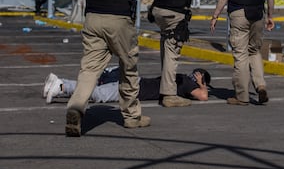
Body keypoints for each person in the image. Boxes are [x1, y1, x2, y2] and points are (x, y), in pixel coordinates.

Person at [65, 0, 148, 137]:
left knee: (89, 69)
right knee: (128, 67)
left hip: (92, 18)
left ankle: (76, 106)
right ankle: (132, 117)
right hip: (119, 20)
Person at [210, 0, 274, 106]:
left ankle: (242, 96)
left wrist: (215, 15)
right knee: (254, 52)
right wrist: (270, 16)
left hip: (239, 13)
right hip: (258, 13)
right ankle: (260, 86)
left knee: (240, 55)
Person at [149, 0, 205, 108]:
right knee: (173, 53)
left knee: (166, 49)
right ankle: (169, 95)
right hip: (175, 12)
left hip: (158, 10)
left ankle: (166, 87)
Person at [43, 67, 211, 104]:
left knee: (98, 91)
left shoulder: (181, 77)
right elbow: (203, 96)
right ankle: (61, 87)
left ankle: (60, 82)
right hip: (135, 88)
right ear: (200, 77)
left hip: (136, 83)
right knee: (99, 95)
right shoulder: (188, 83)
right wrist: (203, 85)